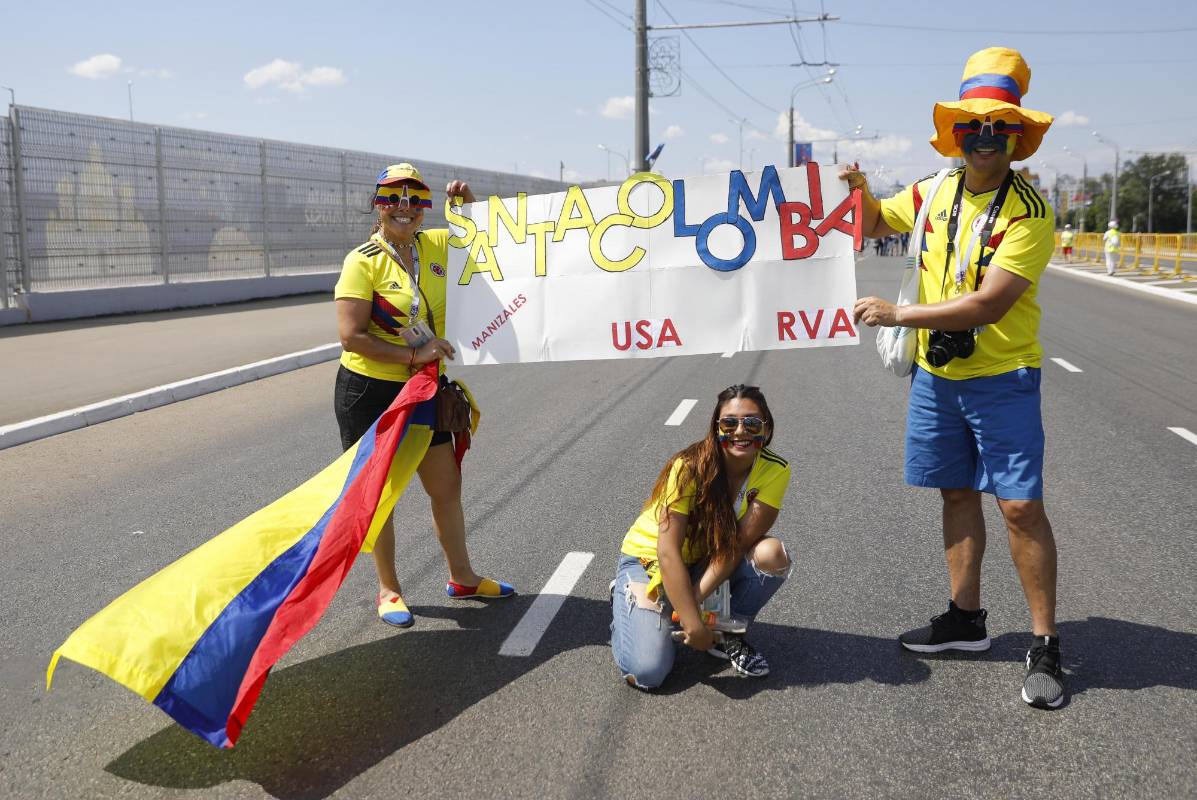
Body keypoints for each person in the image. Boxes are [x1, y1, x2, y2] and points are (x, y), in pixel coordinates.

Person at [845, 47, 1067, 709]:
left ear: (1016, 138)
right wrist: (856, 193)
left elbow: (989, 303)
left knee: (1019, 507)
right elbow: (869, 225)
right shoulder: (930, 190)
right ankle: (964, 621)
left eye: (996, 129)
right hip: (939, 376)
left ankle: (1045, 643)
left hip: (1001, 375)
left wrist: (898, 313)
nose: (981, 140)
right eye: (970, 128)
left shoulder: (1028, 212)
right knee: (953, 493)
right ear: (956, 135)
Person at [334, 163, 514, 628]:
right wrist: (415, 357)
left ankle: (463, 577)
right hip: (370, 392)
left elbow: (483, 244)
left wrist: (470, 206)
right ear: (379, 205)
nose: (405, 209)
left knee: (445, 486)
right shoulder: (362, 261)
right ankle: (389, 589)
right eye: (394, 198)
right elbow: (351, 337)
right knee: (381, 495)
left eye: (415, 201)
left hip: (424, 388)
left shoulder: (434, 244)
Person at [611, 384, 792, 689]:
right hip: (651, 559)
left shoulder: (775, 470)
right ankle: (624, 598)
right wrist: (691, 619)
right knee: (647, 673)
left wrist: (692, 610)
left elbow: (736, 546)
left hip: (706, 557)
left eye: (751, 423)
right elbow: (667, 551)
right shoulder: (689, 467)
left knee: (771, 554)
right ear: (716, 428)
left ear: (766, 427)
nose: (740, 431)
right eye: (729, 423)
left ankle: (724, 633)